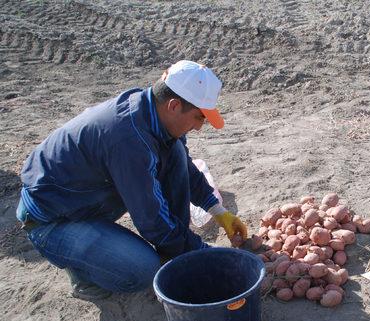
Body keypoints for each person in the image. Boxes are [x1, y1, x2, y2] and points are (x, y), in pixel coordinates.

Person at [17, 60, 248, 300]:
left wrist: (217, 210)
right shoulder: (128, 140)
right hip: (52, 220)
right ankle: (83, 272)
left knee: (176, 152)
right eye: (199, 117)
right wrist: (203, 253)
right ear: (174, 105)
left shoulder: (152, 114)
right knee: (143, 269)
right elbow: (151, 221)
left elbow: (185, 170)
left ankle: (176, 252)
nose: (200, 127)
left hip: (88, 196)